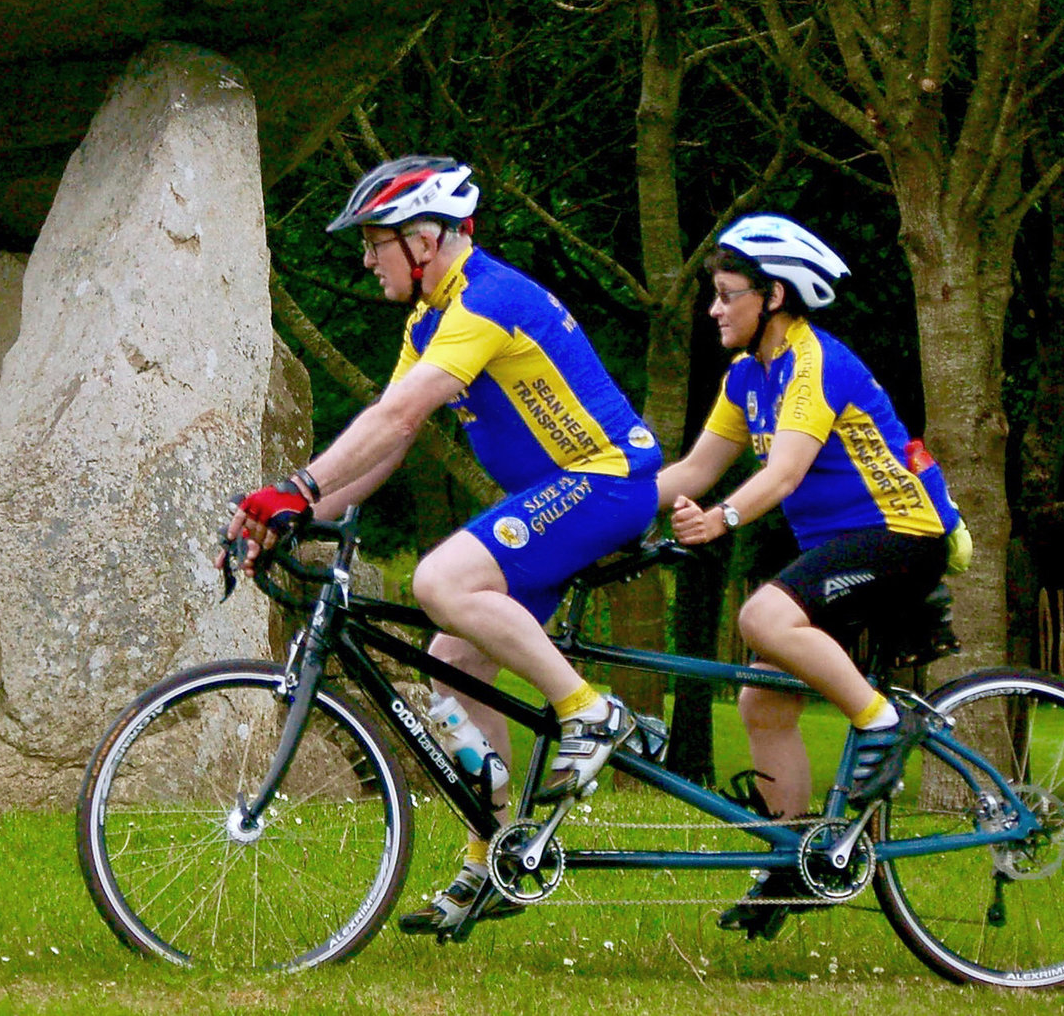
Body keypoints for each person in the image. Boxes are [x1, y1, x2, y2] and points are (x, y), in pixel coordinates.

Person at [224, 155, 663, 936]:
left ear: (423, 240)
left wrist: (296, 484)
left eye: (374, 243)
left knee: (440, 580)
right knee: (452, 673)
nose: (367, 260)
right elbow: (391, 437)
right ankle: (494, 854)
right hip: (558, 494)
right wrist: (296, 513)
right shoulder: (427, 322)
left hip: (605, 480)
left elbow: (396, 418)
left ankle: (589, 714)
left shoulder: (486, 299)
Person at [654, 214, 970, 939]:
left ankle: (881, 723)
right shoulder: (748, 376)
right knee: (761, 702)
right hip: (841, 546)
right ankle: (793, 859)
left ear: (773, 296)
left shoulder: (812, 362)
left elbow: (785, 472)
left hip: (901, 533)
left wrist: (722, 520)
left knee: (761, 617)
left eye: (727, 294)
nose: (713, 310)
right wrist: (596, 513)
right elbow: (694, 470)